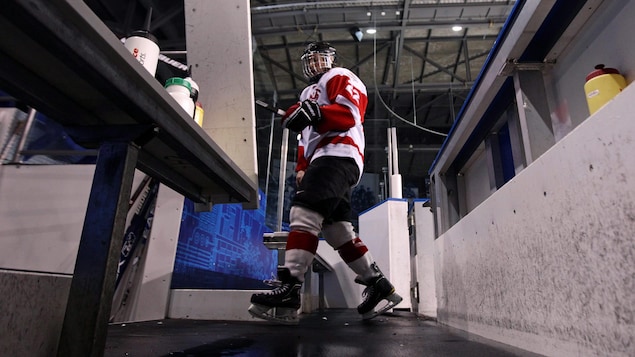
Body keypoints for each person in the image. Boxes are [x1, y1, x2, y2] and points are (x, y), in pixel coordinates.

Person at [248, 42, 402, 325]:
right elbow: (305, 138)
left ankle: (290, 287)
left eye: (320, 59)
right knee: (337, 231)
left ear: (331, 60)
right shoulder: (308, 94)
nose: (316, 65)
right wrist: (303, 165)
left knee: (303, 213)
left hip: (338, 154)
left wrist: (316, 113)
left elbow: (350, 114)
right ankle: (378, 284)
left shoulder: (340, 76)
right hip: (326, 158)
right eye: (311, 60)